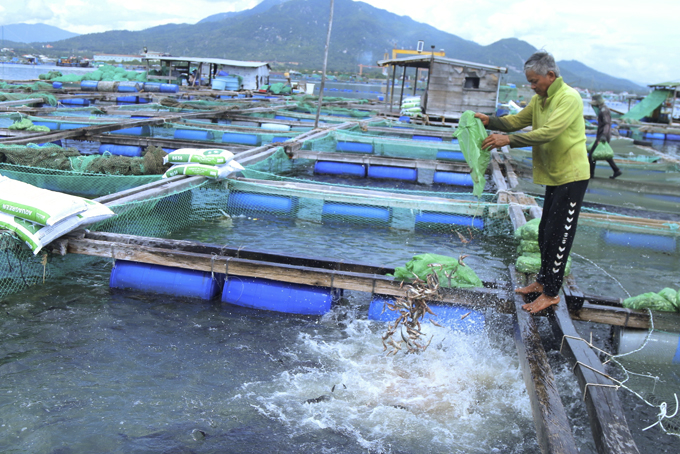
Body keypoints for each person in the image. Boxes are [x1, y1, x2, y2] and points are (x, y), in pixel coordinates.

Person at [474, 51, 590, 314]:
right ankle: (541, 281)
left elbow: (548, 133)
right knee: (544, 231)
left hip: (572, 176)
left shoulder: (569, 98)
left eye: (535, 81)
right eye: (530, 81)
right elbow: (516, 121)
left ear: (550, 75)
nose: (532, 86)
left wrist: (509, 141)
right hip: (554, 175)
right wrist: (490, 121)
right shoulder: (541, 100)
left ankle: (551, 293)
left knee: (560, 236)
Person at [588, 93, 622, 179]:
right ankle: (616, 170)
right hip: (603, 135)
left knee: (592, 155)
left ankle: (590, 174)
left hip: (603, 136)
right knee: (604, 154)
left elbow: (607, 124)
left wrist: (602, 137)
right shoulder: (602, 109)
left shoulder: (604, 110)